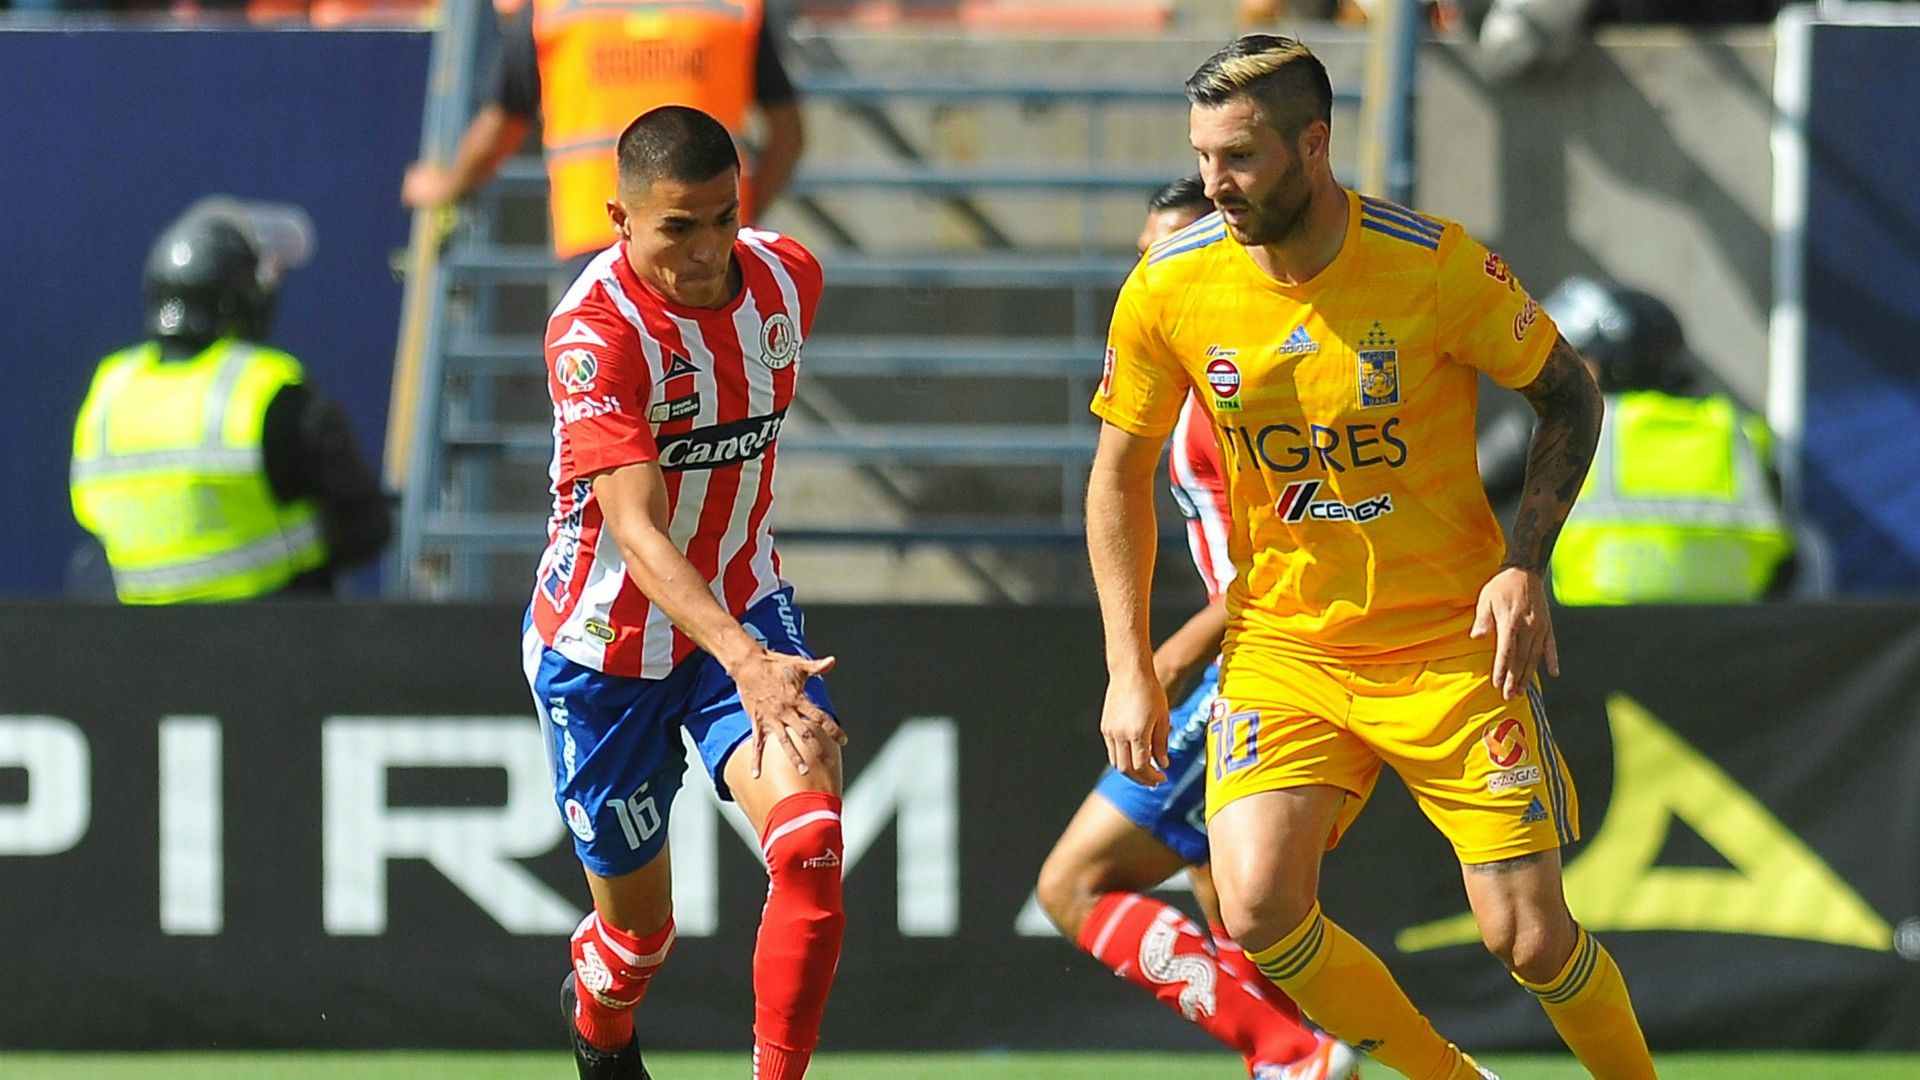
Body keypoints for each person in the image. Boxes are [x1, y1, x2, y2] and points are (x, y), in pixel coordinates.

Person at [1087, 35, 1658, 1080]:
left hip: (1448, 643)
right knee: (1257, 908)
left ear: (1315, 144)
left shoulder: (1431, 263)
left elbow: (1569, 388)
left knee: (1527, 940)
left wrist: (1523, 563)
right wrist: (1130, 663)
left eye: (1241, 157)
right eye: (1203, 155)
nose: (1216, 183)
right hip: (1288, 648)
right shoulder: (1170, 285)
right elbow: (1117, 476)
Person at [521, 105, 846, 1080]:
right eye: (678, 227)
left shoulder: (790, 276)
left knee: (814, 847)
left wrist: (747, 652)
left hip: (743, 608)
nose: (708, 251)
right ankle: (600, 1017)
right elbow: (637, 531)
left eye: (722, 217)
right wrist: (745, 662)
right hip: (605, 652)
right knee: (639, 944)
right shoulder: (593, 336)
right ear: (620, 217)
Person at [1036, 176, 1359, 1080]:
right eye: (1144, 253)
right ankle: (1293, 1059)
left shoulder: (1236, 390)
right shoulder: (1176, 383)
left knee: (1074, 884)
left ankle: (1293, 1054)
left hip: (1260, 664)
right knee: (1241, 904)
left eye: (1174, 250)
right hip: (1271, 659)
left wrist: (1161, 657)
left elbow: (1292, 553)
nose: (1153, 271)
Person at [70, 197, 392, 603]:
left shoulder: (110, 390)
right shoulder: (266, 391)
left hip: (142, 649)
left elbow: (92, 519)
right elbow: (366, 527)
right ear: (246, 299)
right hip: (272, 640)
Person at [401, 0, 804, 262]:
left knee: (602, 388)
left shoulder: (553, 9)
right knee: (708, 388)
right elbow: (788, 136)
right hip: (703, 244)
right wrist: (732, 218)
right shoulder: (734, 7)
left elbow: (500, 125)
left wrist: (447, 186)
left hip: (598, 237)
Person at [1541, 276, 1793, 604]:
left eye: (1577, 360)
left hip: (1599, 642)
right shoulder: (1737, 431)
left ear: (1607, 364)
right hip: (1730, 641)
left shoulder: (1576, 429)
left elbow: (1468, 486)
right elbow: (1787, 562)